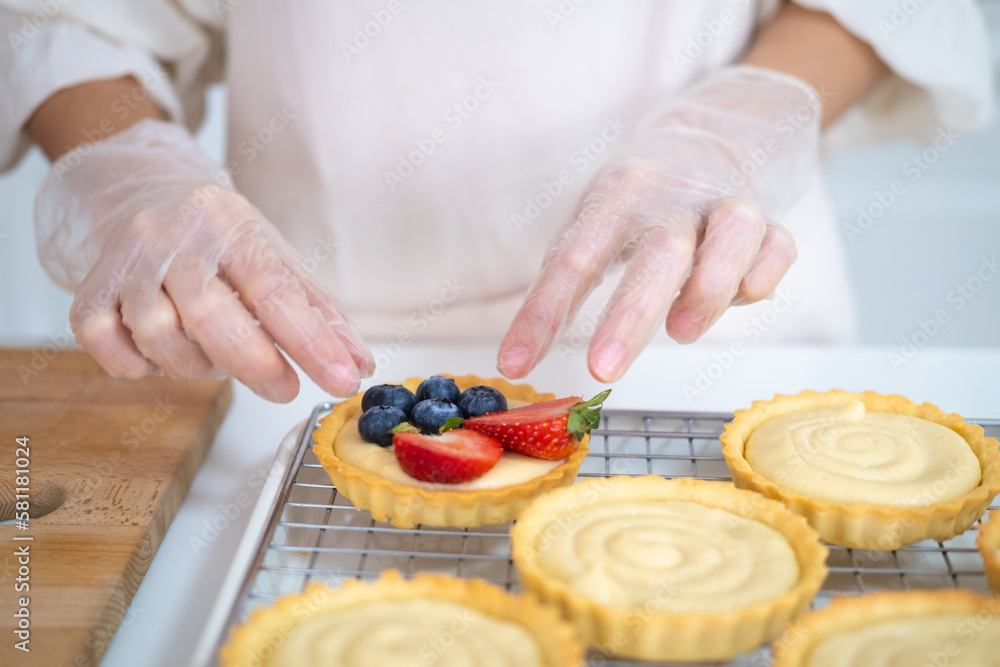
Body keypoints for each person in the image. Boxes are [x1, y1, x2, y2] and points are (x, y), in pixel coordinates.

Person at [0, 1, 992, 402]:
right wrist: (124, 165)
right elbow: (68, 17)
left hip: (715, 347)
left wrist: (740, 121)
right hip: (302, 369)